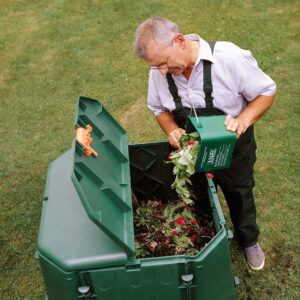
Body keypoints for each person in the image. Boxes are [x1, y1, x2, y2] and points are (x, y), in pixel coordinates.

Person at [133, 17, 276, 271]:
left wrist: (244, 119)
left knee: (239, 194)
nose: (162, 72)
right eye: (157, 67)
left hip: (233, 149)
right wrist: (172, 128)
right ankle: (207, 239)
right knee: (198, 196)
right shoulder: (159, 72)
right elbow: (157, 107)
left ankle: (249, 241)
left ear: (179, 41)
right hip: (191, 152)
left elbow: (267, 91)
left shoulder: (229, 58)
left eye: (164, 63)